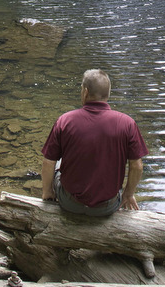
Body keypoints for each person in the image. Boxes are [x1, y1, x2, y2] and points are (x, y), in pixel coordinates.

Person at [41, 69, 148, 216]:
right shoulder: (127, 123)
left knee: (58, 162)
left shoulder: (65, 121)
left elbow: (48, 162)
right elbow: (137, 166)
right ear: (108, 93)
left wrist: (48, 192)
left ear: (85, 92)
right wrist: (128, 194)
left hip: (70, 204)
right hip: (107, 207)